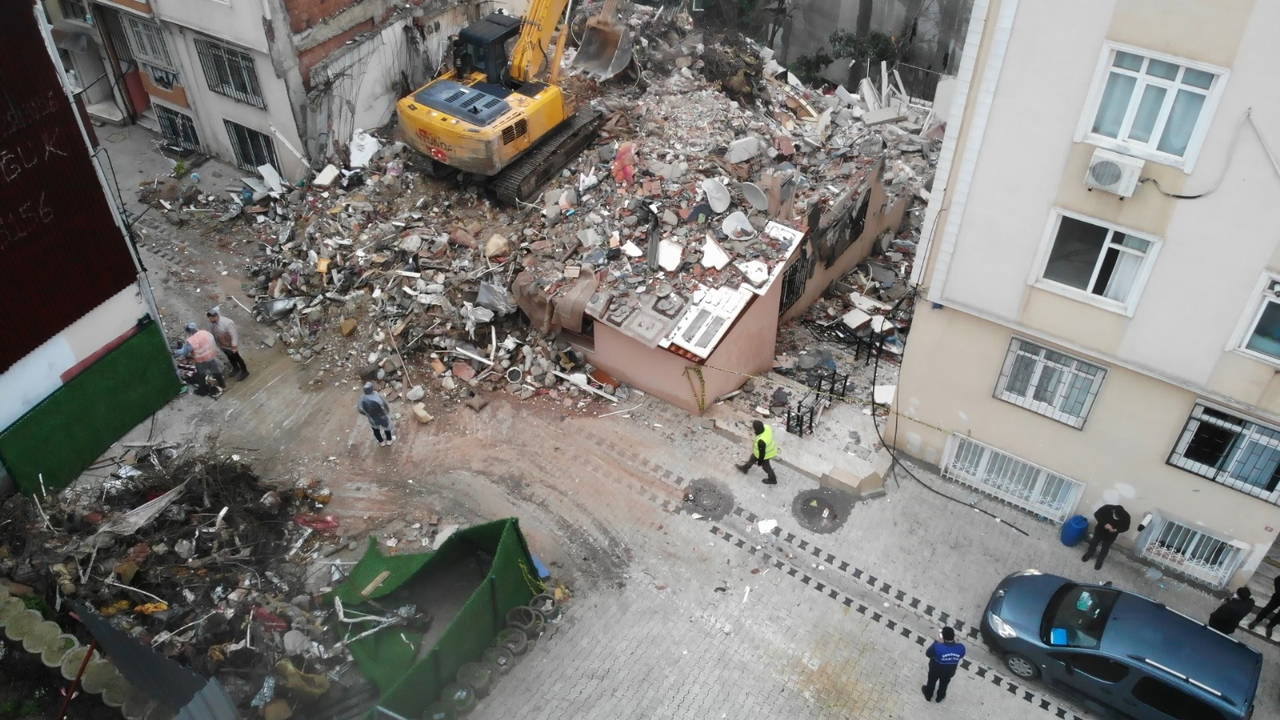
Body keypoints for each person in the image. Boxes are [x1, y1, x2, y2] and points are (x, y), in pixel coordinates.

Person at [173, 322, 225, 396]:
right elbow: (212, 340)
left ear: (188, 331)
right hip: (211, 356)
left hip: (201, 359)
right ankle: (222, 384)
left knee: (201, 376)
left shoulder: (191, 341)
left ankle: (203, 391)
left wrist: (175, 352)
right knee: (216, 371)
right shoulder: (205, 332)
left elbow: (184, 352)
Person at [922, 626, 965, 703]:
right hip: (949, 671)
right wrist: (955, 643)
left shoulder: (938, 647)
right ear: (954, 636)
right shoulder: (961, 647)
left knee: (931, 682)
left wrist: (937, 641)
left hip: (935, 669)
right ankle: (940, 697)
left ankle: (928, 695)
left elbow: (928, 654)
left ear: (943, 637)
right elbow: (961, 655)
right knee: (944, 684)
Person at [1081, 504, 1131, 570]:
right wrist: (1105, 524)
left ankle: (1100, 561)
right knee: (1094, 542)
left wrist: (1116, 530)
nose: (1116, 518)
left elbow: (1126, 528)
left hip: (1111, 535)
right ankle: (1089, 553)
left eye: (1118, 518)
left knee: (1105, 548)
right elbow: (1096, 514)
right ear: (1113, 511)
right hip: (1100, 530)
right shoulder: (1107, 508)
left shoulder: (1126, 517)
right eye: (1116, 517)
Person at [207, 307, 248, 380]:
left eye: (211, 318)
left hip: (231, 344)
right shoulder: (212, 324)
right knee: (230, 357)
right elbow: (212, 333)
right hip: (222, 344)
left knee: (237, 357)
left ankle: (244, 371)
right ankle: (236, 368)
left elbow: (234, 334)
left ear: (216, 316)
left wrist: (234, 345)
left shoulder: (227, 322)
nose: (210, 320)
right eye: (209, 318)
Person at [736, 420, 778, 485]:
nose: (752, 429)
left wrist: (760, 462)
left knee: (766, 467)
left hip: (766, 454)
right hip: (762, 451)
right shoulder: (767, 427)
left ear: (757, 430)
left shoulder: (761, 441)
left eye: (754, 428)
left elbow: (762, 454)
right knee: (752, 458)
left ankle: (773, 479)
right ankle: (745, 468)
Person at [356, 382, 395, 447]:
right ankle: (389, 441)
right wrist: (387, 412)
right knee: (386, 428)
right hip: (382, 416)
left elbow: (360, 409)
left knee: (376, 430)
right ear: (372, 388)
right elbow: (385, 404)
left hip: (372, 418)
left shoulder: (362, 398)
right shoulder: (377, 395)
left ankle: (381, 442)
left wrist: (367, 414)